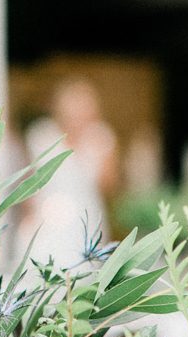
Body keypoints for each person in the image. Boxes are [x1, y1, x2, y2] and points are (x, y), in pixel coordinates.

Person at [20, 79, 118, 267]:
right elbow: (30, 181)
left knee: (85, 270)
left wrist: (94, 151)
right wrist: (29, 215)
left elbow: (109, 186)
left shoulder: (101, 137)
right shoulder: (42, 135)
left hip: (86, 216)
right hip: (48, 217)